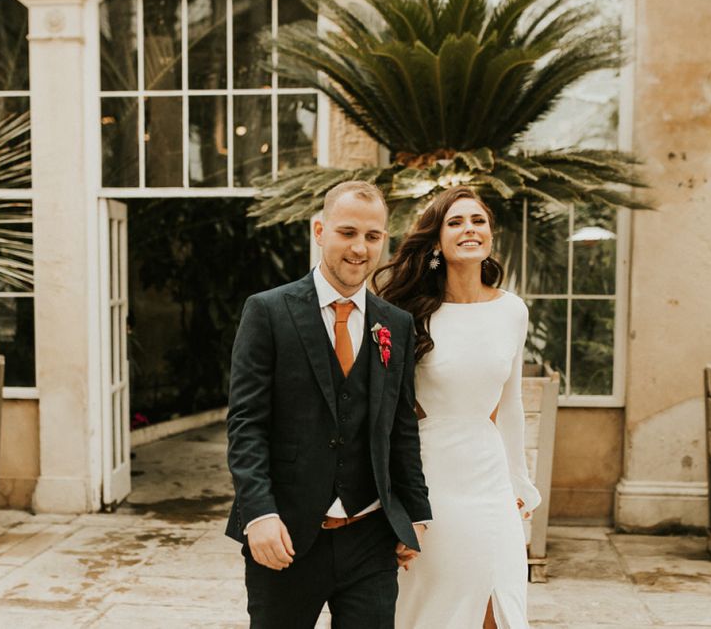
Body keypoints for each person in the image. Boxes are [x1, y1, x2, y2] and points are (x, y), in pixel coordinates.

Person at [225, 180, 432, 628]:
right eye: (348, 232)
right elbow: (247, 424)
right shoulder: (268, 311)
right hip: (286, 535)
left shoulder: (395, 325)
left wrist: (414, 514)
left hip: (370, 537)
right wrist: (258, 513)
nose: (360, 248)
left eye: (373, 236)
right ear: (319, 230)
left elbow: (401, 428)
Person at [374, 186, 541, 629]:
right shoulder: (408, 314)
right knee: (439, 605)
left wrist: (519, 479)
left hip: (490, 477)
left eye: (478, 221)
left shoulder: (512, 310)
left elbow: (511, 403)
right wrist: (396, 496)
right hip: (433, 476)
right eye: (455, 222)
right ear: (436, 242)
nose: (470, 229)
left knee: (500, 601)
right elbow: (388, 411)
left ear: (490, 234)